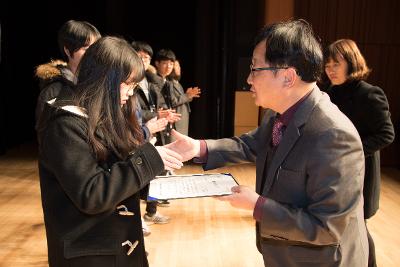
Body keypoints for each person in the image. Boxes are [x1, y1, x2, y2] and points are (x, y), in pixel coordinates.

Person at [166, 19, 369, 267]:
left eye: (255, 69)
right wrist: (199, 148)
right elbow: (252, 144)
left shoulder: (334, 135)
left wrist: (258, 206)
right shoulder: (278, 113)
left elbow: (327, 227)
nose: (249, 79)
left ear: (287, 77)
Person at [36, 36, 183, 267]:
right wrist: (148, 161)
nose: (129, 94)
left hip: (115, 245)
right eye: (127, 84)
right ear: (104, 78)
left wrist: (155, 176)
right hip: (90, 252)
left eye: (135, 86)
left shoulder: (101, 115)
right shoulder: (65, 123)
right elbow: (92, 194)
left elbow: (116, 172)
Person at [323, 39, 395, 267]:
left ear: (352, 62)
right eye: (327, 64)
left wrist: (349, 151)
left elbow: (386, 134)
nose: (330, 69)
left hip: (360, 173)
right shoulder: (329, 93)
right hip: (334, 172)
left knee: (359, 230)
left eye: (336, 63)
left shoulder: (370, 94)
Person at [131, 41, 181, 225]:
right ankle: (137, 219)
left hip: (153, 132)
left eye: (147, 57)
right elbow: (132, 111)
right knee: (137, 176)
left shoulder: (150, 79)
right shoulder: (128, 79)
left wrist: (164, 114)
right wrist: (155, 114)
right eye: (140, 56)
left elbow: (159, 103)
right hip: (137, 133)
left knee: (155, 174)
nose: (144, 60)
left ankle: (151, 212)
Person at [35, 20, 101, 127]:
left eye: (96, 49)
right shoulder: (53, 91)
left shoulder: (97, 83)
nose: (93, 54)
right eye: (86, 49)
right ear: (67, 50)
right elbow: (44, 132)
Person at [154, 49, 201, 137]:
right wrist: (187, 96)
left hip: (178, 120)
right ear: (157, 63)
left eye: (171, 64)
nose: (169, 67)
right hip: (167, 121)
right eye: (165, 63)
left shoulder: (170, 82)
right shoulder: (157, 81)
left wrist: (188, 96)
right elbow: (171, 101)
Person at [167, 59, 201, 136]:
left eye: (179, 66)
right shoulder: (169, 83)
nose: (179, 68)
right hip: (176, 122)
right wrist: (187, 95)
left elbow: (181, 99)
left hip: (183, 120)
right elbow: (173, 101)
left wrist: (189, 96)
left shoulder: (178, 84)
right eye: (176, 66)